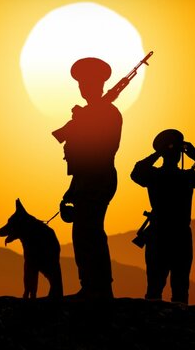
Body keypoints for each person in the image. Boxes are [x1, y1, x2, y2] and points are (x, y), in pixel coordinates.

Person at [55, 57, 122, 299]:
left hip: (99, 178)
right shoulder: (88, 115)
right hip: (86, 178)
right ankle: (90, 285)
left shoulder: (108, 114)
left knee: (91, 232)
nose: (84, 89)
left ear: (100, 86)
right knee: (82, 234)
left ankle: (100, 287)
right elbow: (80, 158)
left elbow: (103, 151)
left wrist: (85, 124)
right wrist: (71, 190)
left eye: (88, 85)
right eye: (82, 85)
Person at [130, 129, 195, 304]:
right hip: (179, 236)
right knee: (179, 289)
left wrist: (159, 152)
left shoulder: (154, 175)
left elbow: (136, 172)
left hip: (159, 235)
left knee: (155, 288)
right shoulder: (186, 177)